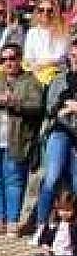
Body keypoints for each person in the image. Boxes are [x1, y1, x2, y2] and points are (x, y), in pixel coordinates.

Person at [0, 44, 43, 236]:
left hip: (17, 139)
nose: (8, 63)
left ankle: (12, 221)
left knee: (14, 181)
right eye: (3, 59)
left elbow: (37, 107)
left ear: (20, 59)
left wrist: (15, 103)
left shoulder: (31, 81)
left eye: (12, 58)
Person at [34, 40, 77, 229]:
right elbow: (52, 108)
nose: (75, 59)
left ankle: (71, 229)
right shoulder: (59, 79)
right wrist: (65, 109)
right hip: (60, 131)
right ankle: (41, 225)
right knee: (52, 176)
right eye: (73, 55)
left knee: (76, 181)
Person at [22, 0, 69, 80]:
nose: (45, 13)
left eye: (49, 10)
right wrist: (34, 67)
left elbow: (60, 57)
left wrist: (41, 66)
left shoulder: (62, 32)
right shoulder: (32, 32)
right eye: (41, 10)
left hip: (54, 70)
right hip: (34, 69)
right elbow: (28, 56)